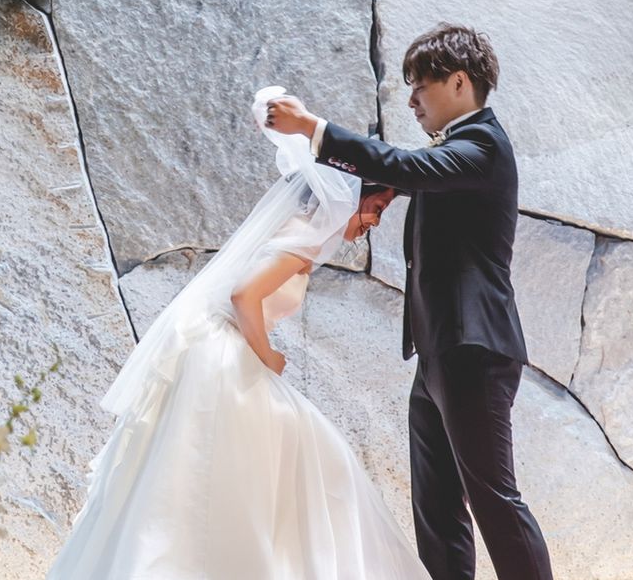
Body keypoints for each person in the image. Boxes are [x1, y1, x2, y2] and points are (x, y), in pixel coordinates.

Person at [47, 88, 432, 580]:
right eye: (377, 207)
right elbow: (244, 295)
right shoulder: (304, 238)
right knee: (295, 461)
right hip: (224, 357)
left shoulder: (299, 232)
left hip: (214, 350)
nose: (374, 220)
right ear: (350, 199)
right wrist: (266, 355)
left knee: (207, 471)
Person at [266, 23, 552, 580]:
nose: (412, 99)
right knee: (437, 507)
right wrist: (384, 191)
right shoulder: (460, 148)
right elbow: (414, 173)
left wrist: (312, 128)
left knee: (494, 500)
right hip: (440, 350)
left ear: (460, 82)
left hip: (473, 349)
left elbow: (407, 166)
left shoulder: (484, 145)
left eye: (421, 86)